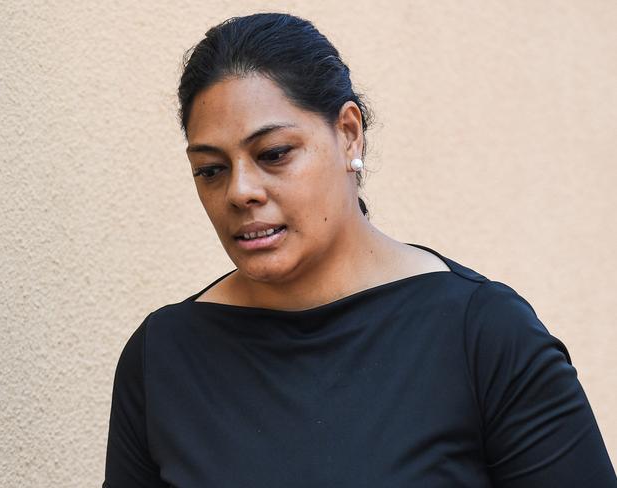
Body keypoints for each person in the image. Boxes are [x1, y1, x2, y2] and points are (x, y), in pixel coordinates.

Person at [102, 12, 617, 487]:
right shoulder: (161, 357)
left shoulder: (481, 333)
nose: (240, 191)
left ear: (348, 135)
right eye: (211, 169)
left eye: (274, 154)